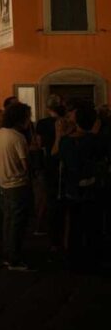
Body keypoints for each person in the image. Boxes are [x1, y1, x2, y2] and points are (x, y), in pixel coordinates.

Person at [54, 105, 104, 272]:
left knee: (74, 224)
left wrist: (60, 135)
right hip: (94, 188)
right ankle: (93, 257)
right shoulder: (97, 140)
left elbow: (58, 155)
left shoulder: (67, 142)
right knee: (93, 224)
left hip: (72, 189)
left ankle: (74, 258)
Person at [0, 102, 34, 271]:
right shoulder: (18, 137)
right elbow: (26, 164)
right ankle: (15, 259)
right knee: (18, 223)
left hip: (3, 183)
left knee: (8, 221)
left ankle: (7, 254)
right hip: (18, 184)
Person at [34, 95, 66, 253]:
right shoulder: (66, 123)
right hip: (64, 162)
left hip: (48, 162)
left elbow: (39, 143)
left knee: (47, 197)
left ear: (48, 109)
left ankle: (44, 228)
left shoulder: (41, 123)